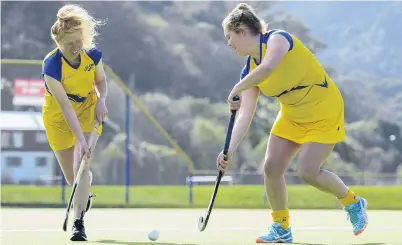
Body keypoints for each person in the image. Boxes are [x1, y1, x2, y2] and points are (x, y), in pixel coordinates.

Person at [217, 3, 368, 243]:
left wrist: (237, 87)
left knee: (308, 171)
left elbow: (268, 68)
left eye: (229, 36)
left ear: (242, 31)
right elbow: (245, 115)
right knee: (271, 167)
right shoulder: (248, 71)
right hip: (292, 114)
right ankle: (281, 227)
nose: (229, 43)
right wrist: (229, 150)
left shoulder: (278, 39)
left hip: (323, 109)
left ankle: (353, 203)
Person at [42, 4, 108, 241]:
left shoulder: (92, 55)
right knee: (74, 178)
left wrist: (101, 101)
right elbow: (66, 107)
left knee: (83, 163)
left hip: (88, 109)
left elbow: (101, 82)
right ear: (58, 42)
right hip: (58, 118)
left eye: (78, 40)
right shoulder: (51, 67)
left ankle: (78, 223)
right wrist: (80, 138)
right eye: (68, 43)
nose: (75, 47)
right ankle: (84, 193)